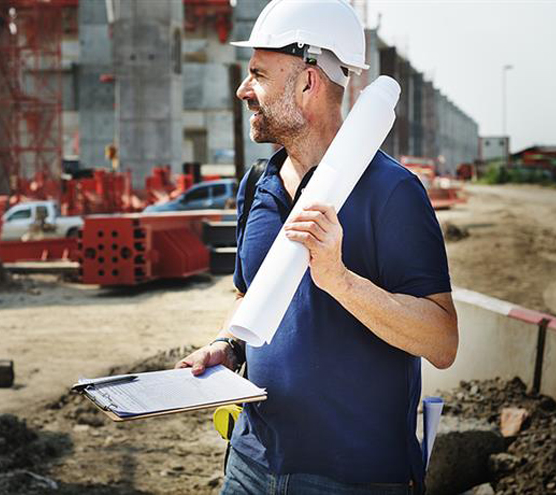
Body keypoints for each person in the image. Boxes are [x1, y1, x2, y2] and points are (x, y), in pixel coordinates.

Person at [175, 1, 458, 493]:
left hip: (352, 477)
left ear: (308, 82)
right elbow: (249, 296)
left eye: (259, 74)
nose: (244, 90)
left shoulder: (391, 192)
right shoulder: (257, 184)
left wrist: (339, 280)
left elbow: (442, 341)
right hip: (250, 463)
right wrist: (228, 345)